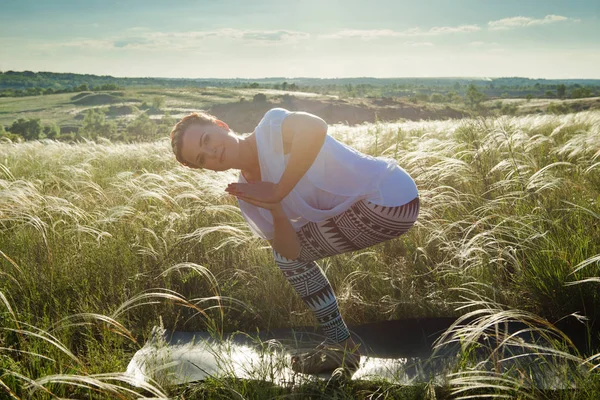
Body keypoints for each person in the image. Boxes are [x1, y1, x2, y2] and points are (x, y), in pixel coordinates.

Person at [169, 107, 419, 374]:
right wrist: (274, 205)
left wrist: (278, 190)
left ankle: (342, 348)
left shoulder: (271, 128)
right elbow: (290, 251)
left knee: (287, 257)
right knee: (285, 258)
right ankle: (341, 344)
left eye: (206, 140)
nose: (211, 153)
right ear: (206, 168)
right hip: (374, 208)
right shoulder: (249, 195)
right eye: (201, 158)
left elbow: (316, 127)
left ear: (220, 125)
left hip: (391, 198)